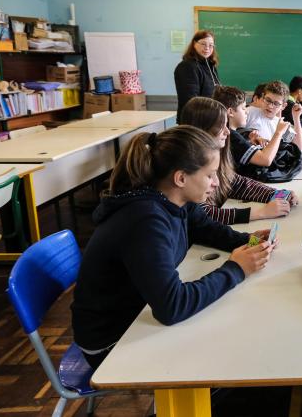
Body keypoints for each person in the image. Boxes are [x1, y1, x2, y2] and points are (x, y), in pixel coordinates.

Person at [71, 126, 275, 368]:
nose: (216, 183)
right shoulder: (145, 220)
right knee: (233, 344)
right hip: (112, 340)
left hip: (140, 312)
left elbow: (204, 228)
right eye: (210, 175)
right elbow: (172, 307)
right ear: (180, 178)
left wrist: (249, 242)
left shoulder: (174, 198)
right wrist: (236, 269)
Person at [180, 96, 297, 224]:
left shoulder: (217, 154)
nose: (227, 132)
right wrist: (260, 212)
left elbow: (236, 183)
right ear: (203, 129)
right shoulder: (189, 165)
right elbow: (203, 214)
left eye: (226, 125)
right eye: (221, 126)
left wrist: (277, 195)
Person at [213, 85, 291, 169]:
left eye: (276, 103)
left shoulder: (229, 133)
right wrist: (278, 133)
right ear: (230, 112)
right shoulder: (231, 136)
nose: (246, 111)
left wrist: (248, 139)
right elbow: (265, 160)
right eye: (243, 108)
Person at [174, 30, 221, 123]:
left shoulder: (211, 66)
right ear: (194, 44)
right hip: (194, 121)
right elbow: (191, 100)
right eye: (203, 44)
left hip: (210, 118)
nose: (207, 48)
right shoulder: (187, 66)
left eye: (211, 45)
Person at [246, 80, 302, 151]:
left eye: (276, 104)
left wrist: (296, 118)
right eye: (268, 100)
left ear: (283, 106)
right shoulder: (249, 112)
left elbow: (298, 147)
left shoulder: (279, 123)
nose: (270, 106)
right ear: (263, 96)